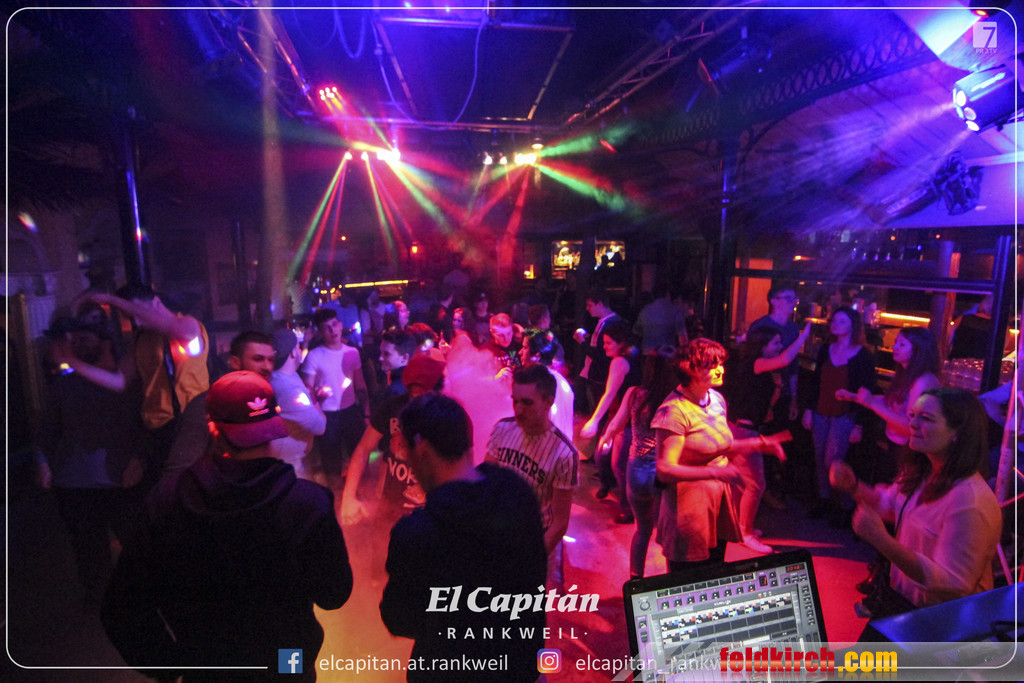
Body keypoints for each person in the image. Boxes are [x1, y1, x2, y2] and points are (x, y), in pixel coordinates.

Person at [102, 371, 353, 681]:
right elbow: (334, 594)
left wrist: (171, 665)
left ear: (213, 428)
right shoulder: (308, 503)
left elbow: (121, 608)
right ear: (275, 424)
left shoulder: (166, 501)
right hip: (287, 664)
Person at [379, 394, 546, 682]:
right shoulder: (516, 492)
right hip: (520, 669)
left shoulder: (417, 534)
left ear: (421, 447)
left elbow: (399, 620)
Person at [830, 388, 1001, 611]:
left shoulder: (970, 501)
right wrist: (853, 486)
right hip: (901, 602)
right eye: (912, 415)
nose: (912, 424)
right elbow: (889, 506)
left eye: (926, 418)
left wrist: (882, 540)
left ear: (957, 433)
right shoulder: (923, 471)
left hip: (937, 621)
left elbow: (954, 584)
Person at [36, 311, 144, 608]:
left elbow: (147, 424)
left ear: (105, 342)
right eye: (74, 340)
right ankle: (100, 599)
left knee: (135, 542)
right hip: (74, 482)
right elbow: (47, 431)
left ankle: (139, 595)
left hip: (120, 478)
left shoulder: (127, 383)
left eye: (84, 338)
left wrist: (140, 457)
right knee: (88, 549)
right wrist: (43, 462)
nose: (76, 344)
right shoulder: (63, 385)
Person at [652, 339, 789, 570]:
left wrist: (759, 443)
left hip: (718, 504)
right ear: (690, 369)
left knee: (715, 571)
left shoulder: (716, 399)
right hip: (688, 510)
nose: (720, 370)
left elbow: (720, 447)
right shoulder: (674, 411)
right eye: (712, 365)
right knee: (689, 580)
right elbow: (664, 470)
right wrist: (715, 472)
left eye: (721, 364)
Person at [81, 285, 209, 482]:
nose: (137, 320)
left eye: (137, 312)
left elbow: (185, 334)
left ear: (156, 302)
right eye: (129, 316)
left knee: (179, 485)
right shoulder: (141, 336)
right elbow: (120, 380)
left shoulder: (187, 324)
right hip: (154, 425)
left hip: (187, 420)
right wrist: (73, 363)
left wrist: (112, 300)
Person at [723, 323, 812, 553]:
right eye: (775, 343)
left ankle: (735, 528)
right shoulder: (756, 363)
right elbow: (786, 359)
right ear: (762, 345)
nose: (779, 346)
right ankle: (745, 533)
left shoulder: (759, 367)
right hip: (743, 430)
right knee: (756, 484)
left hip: (742, 428)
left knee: (741, 482)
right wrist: (805, 333)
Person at [486, 364, 578, 586]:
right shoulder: (502, 429)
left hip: (534, 540)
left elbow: (559, 523)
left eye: (527, 403)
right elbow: (486, 485)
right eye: (515, 401)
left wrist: (530, 560)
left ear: (549, 402)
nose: (518, 410)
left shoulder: (565, 454)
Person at [338, 350, 446, 527]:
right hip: (391, 508)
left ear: (439, 388)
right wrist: (348, 497)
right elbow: (363, 449)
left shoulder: (451, 416)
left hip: (431, 515)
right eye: (413, 392)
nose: (417, 397)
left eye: (424, 392)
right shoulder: (393, 407)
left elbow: (462, 474)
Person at [598, 346, 677, 578]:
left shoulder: (634, 393)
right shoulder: (675, 399)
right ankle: (673, 580)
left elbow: (617, 423)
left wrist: (605, 439)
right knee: (668, 533)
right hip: (664, 472)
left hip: (637, 469)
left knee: (642, 530)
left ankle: (636, 579)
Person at [164, 330, 277, 478]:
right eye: (258, 359)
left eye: (270, 360)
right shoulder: (208, 403)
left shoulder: (267, 400)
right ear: (236, 363)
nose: (267, 367)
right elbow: (178, 470)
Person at [801, 306, 877, 525]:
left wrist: (859, 424)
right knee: (819, 457)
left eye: (842, 321)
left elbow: (867, 391)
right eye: (834, 320)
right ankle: (825, 499)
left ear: (853, 326)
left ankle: (845, 505)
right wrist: (808, 409)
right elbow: (816, 382)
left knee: (833, 460)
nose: (835, 324)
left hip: (845, 414)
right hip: (821, 410)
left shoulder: (864, 355)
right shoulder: (826, 349)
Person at [837, 326, 942, 477]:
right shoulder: (907, 373)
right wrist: (853, 396)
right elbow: (893, 401)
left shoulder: (922, 382)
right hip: (898, 447)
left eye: (902, 344)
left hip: (909, 453)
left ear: (919, 350)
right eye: (896, 343)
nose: (894, 347)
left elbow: (911, 426)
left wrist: (871, 403)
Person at [300, 307, 368, 489]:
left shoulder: (352, 352)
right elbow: (308, 390)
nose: (332, 330)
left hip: (350, 411)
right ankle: (336, 496)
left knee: (358, 454)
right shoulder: (314, 356)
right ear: (320, 332)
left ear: (340, 325)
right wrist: (318, 397)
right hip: (327, 415)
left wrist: (366, 414)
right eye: (326, 327)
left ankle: (358, 492)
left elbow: (360, 384)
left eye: (334, 324)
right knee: (331, 459)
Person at [580, 321, 640, 522]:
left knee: (619, 464)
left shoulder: (620, 362)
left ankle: (628, 509)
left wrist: (594, 420)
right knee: (601, 455)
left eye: (608, 343)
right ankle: (607, 484)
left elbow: (609, 394)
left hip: (626, 418)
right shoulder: (629, 356)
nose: (604, 346)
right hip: (621, 415)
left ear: (620, 343)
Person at [268, 328, 326, 480]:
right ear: (293, 353)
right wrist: (314, 400)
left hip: (289, 460)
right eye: (298, 347)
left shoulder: (285, 376)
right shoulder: (289, 389)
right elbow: (319, 426)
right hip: (290, 467)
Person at [748, 284, 802, 424]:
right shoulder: (760, 325)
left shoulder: (793, 328)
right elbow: (751, 360)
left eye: (794, 299)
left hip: (784, 391)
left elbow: (793, 365)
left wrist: (794, 398)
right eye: (788, 298)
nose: (793, 302)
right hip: (761, 391)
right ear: (774, 301)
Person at [519, 329, 574, 439]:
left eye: (525, 348)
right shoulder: (561, 381)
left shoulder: (536, 385)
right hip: (563, 446)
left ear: (536, 355)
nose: (520, 352)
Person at [633, 283, 687, 353]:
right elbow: (683, 338)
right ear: (667, 294)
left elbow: (636, 332)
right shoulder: (675, 311)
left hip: (648, 355)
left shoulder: (645, 311)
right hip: (667, 355)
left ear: (653, 296)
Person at [378, 328, 417, 398]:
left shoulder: (394, 391)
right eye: (381, 352)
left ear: (404, 358)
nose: (380, 358)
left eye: (386, 354)